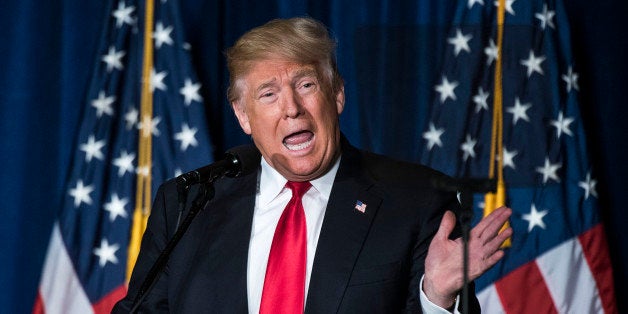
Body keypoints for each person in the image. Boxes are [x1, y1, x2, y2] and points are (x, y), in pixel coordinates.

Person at [113, 17, 512, 313]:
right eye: (268, 94)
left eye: (306, 85)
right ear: (243, 116)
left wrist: (436, 297)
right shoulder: (189, 203)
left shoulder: (418, 200)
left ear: (336, 95)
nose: (291, 108)